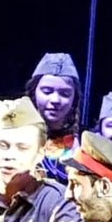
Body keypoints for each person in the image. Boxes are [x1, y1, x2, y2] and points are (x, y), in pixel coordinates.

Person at [26, 53, 83, 184]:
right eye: (47, 91)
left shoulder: (84, 140)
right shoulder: (16, 134)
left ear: (74, 98)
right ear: (34, 93)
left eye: (65, 94)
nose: (55, 100)